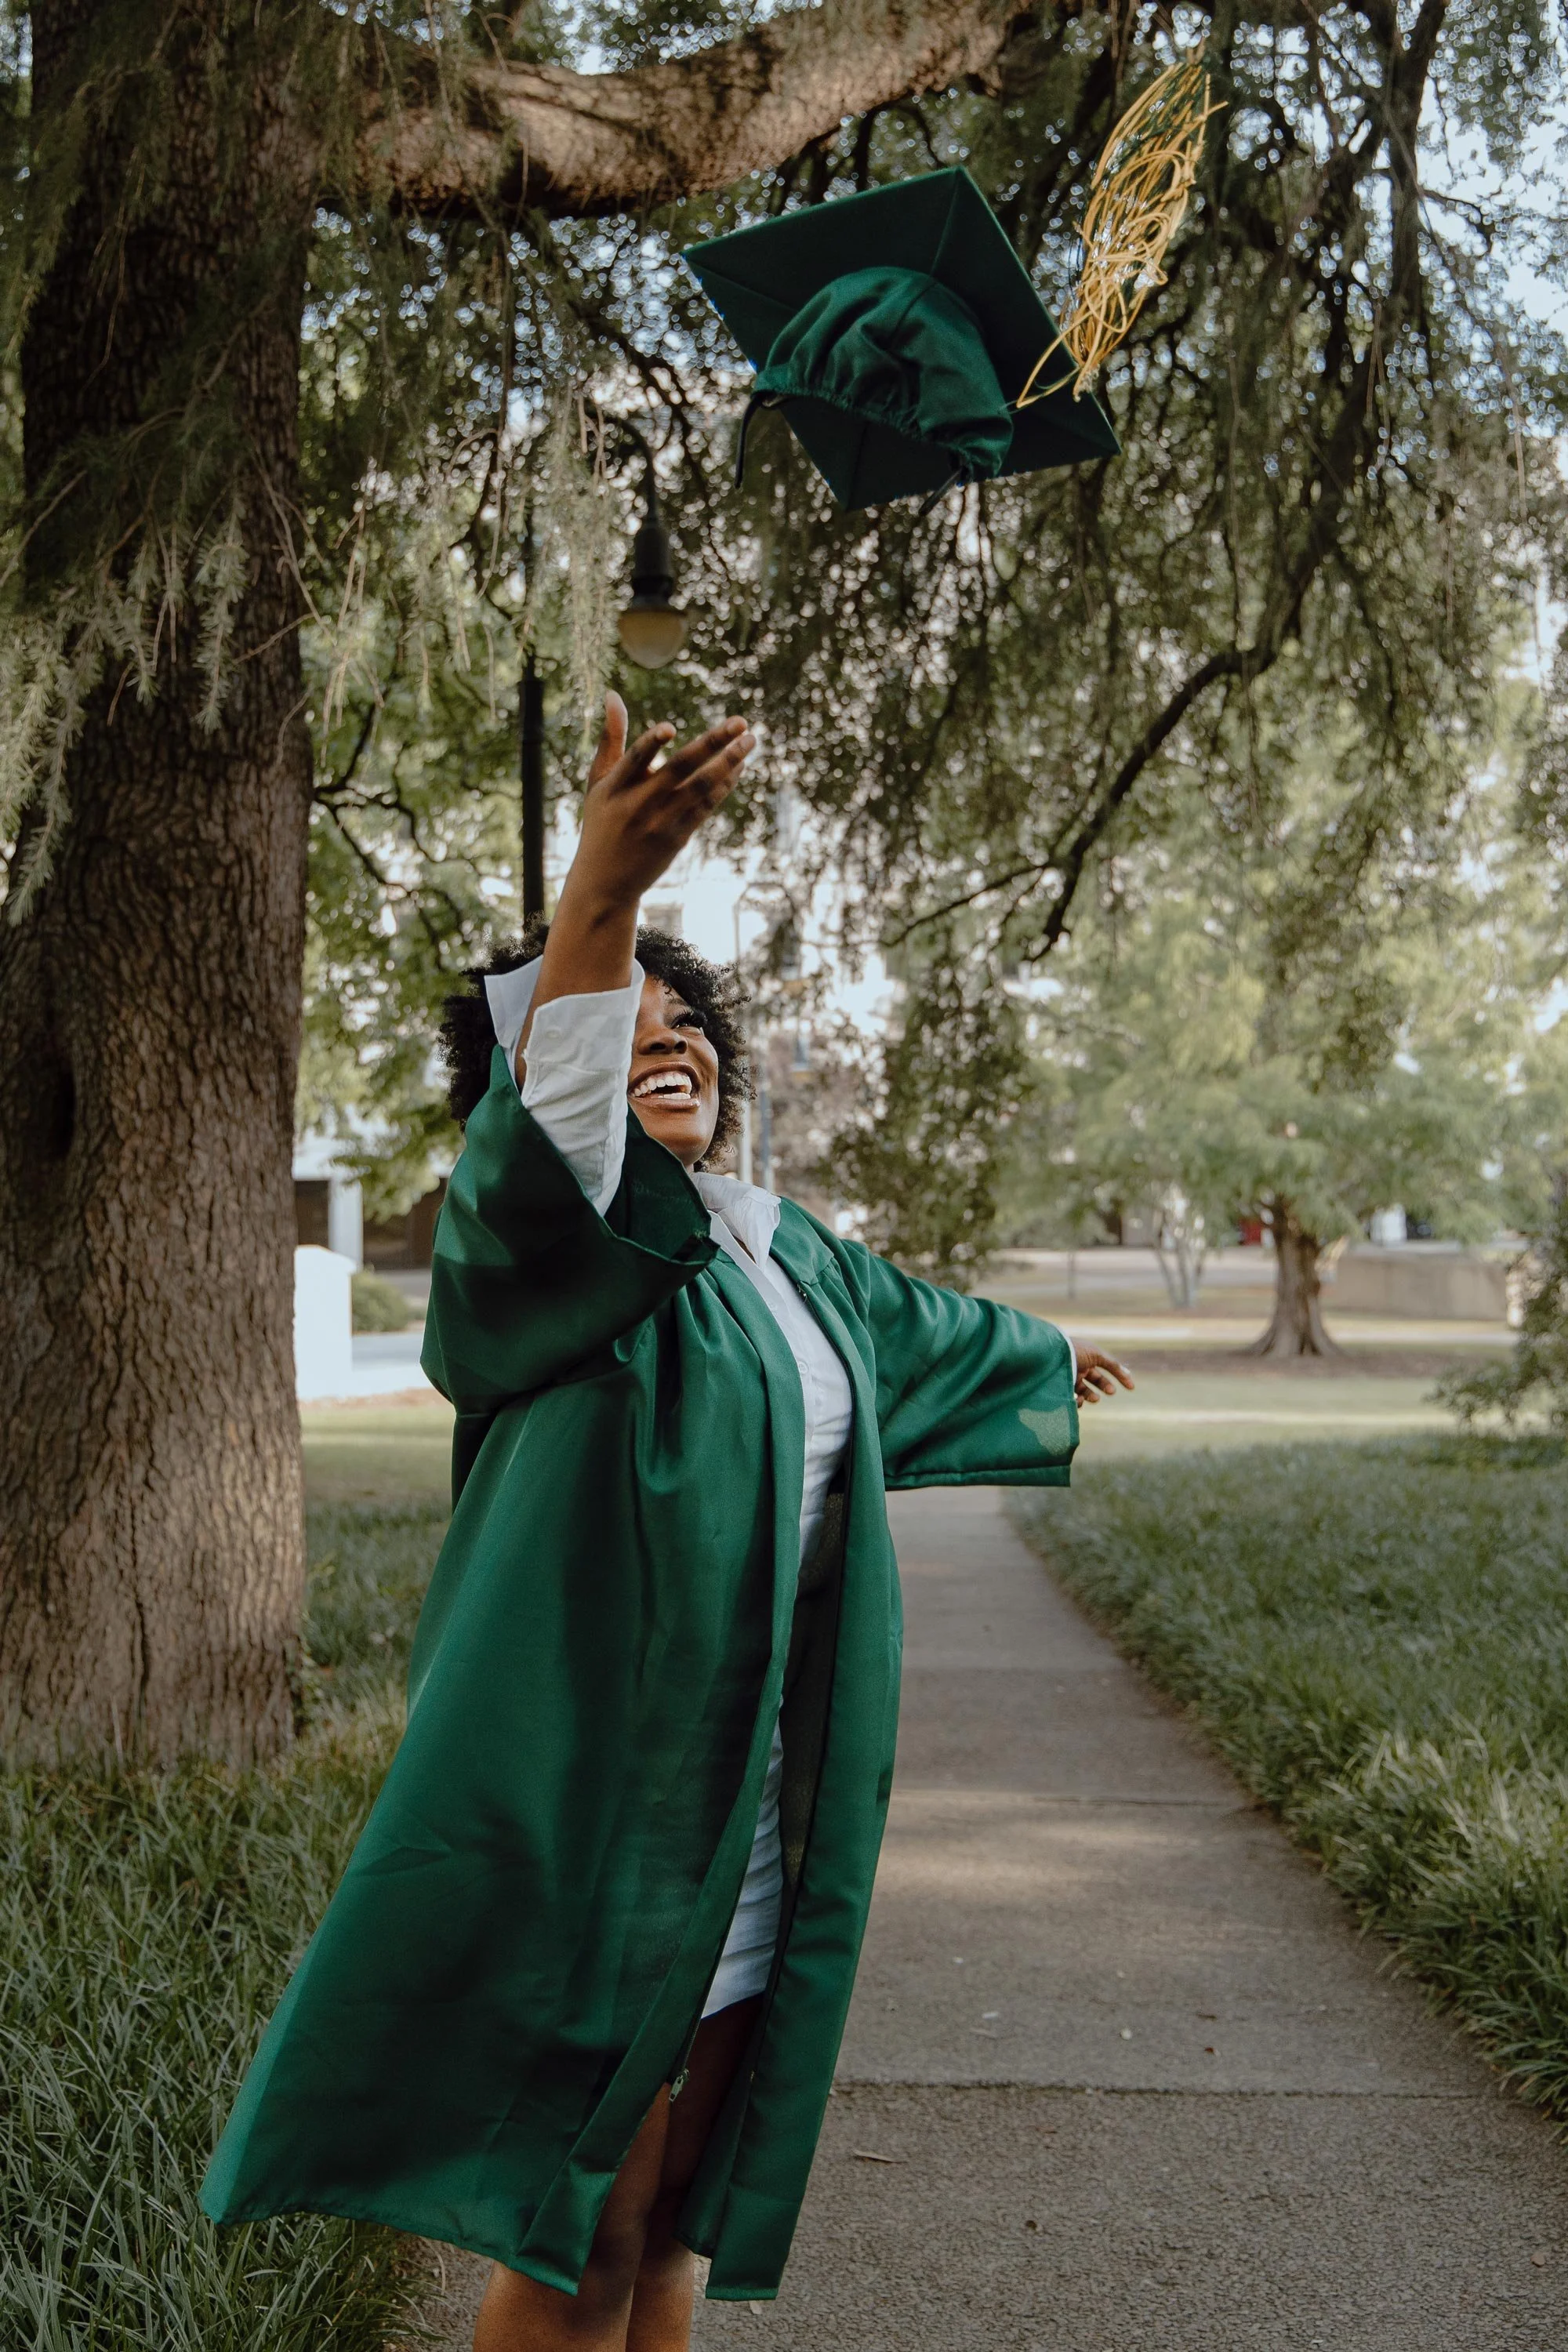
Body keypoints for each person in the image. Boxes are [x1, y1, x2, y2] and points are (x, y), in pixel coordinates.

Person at [200, 695, 1132, 2351]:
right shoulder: (551, 1258)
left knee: (678, 2215)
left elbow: (914, 1332)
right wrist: (602, 903)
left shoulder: (780, 1251)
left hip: (760, 1799)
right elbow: (551, 1107)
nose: (665, 1042)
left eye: (685, 1024)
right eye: (619, 1032)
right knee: (589, 2222)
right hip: (607, 1811)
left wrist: (1046, 1348)